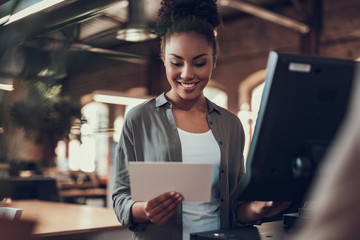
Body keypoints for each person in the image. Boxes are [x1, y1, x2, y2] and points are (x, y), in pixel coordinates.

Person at [112, 1, 290, 239]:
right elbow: (121, 197)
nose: (187, 73)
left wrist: (259, 208)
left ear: (214, 60)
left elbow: (234, 209)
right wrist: (144, 210)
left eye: (199, 62)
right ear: (163, 58)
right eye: (176, 62)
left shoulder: (231, 125)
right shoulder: (139, 119)